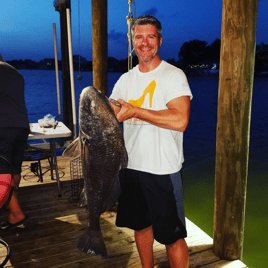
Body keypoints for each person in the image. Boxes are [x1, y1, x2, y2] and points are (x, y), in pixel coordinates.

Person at [109, 15, 193, 268]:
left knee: (172, 236)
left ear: (159, 40)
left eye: (150, 37)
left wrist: (135, 111)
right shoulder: (126, 79)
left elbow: (180, 120)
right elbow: (112, 114)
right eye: (139, 37)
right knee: (140, 226)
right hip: (131, 167)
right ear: (131, 40)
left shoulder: (173, 75)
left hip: (162, 169)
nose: (144, 43)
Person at [0, 54, 29, 230]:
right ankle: (13, 212)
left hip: (3, 127)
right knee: (14, 171)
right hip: (21, 127)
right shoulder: (15, 72)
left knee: (2, 172)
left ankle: (16, 212)